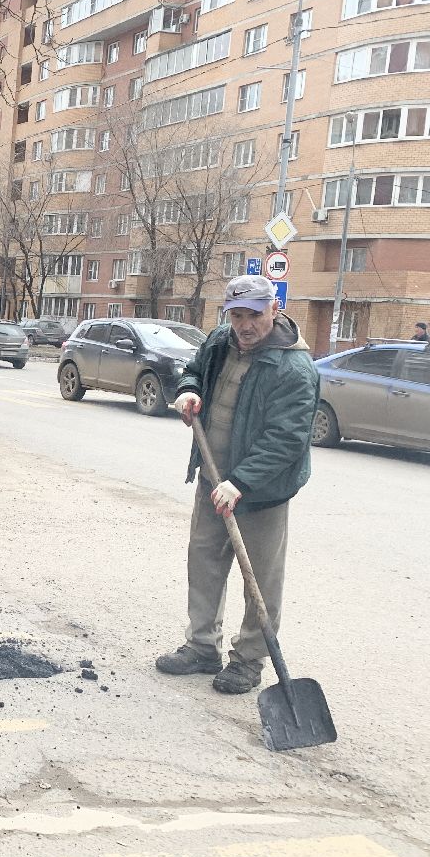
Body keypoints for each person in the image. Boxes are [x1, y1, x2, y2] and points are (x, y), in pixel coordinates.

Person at [157, 275, 319, 695]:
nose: (245, 325)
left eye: (254, 315)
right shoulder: (219, 342)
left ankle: (248, 661)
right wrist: (189, 391)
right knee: (205, 561)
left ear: (274, 310)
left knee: (260, 579)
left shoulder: (293, 368)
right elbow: (193, 371)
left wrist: (241, 481)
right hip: (213, 477)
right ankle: (201, 647)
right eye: (237, 315)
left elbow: (286, 438)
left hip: (261, 492)